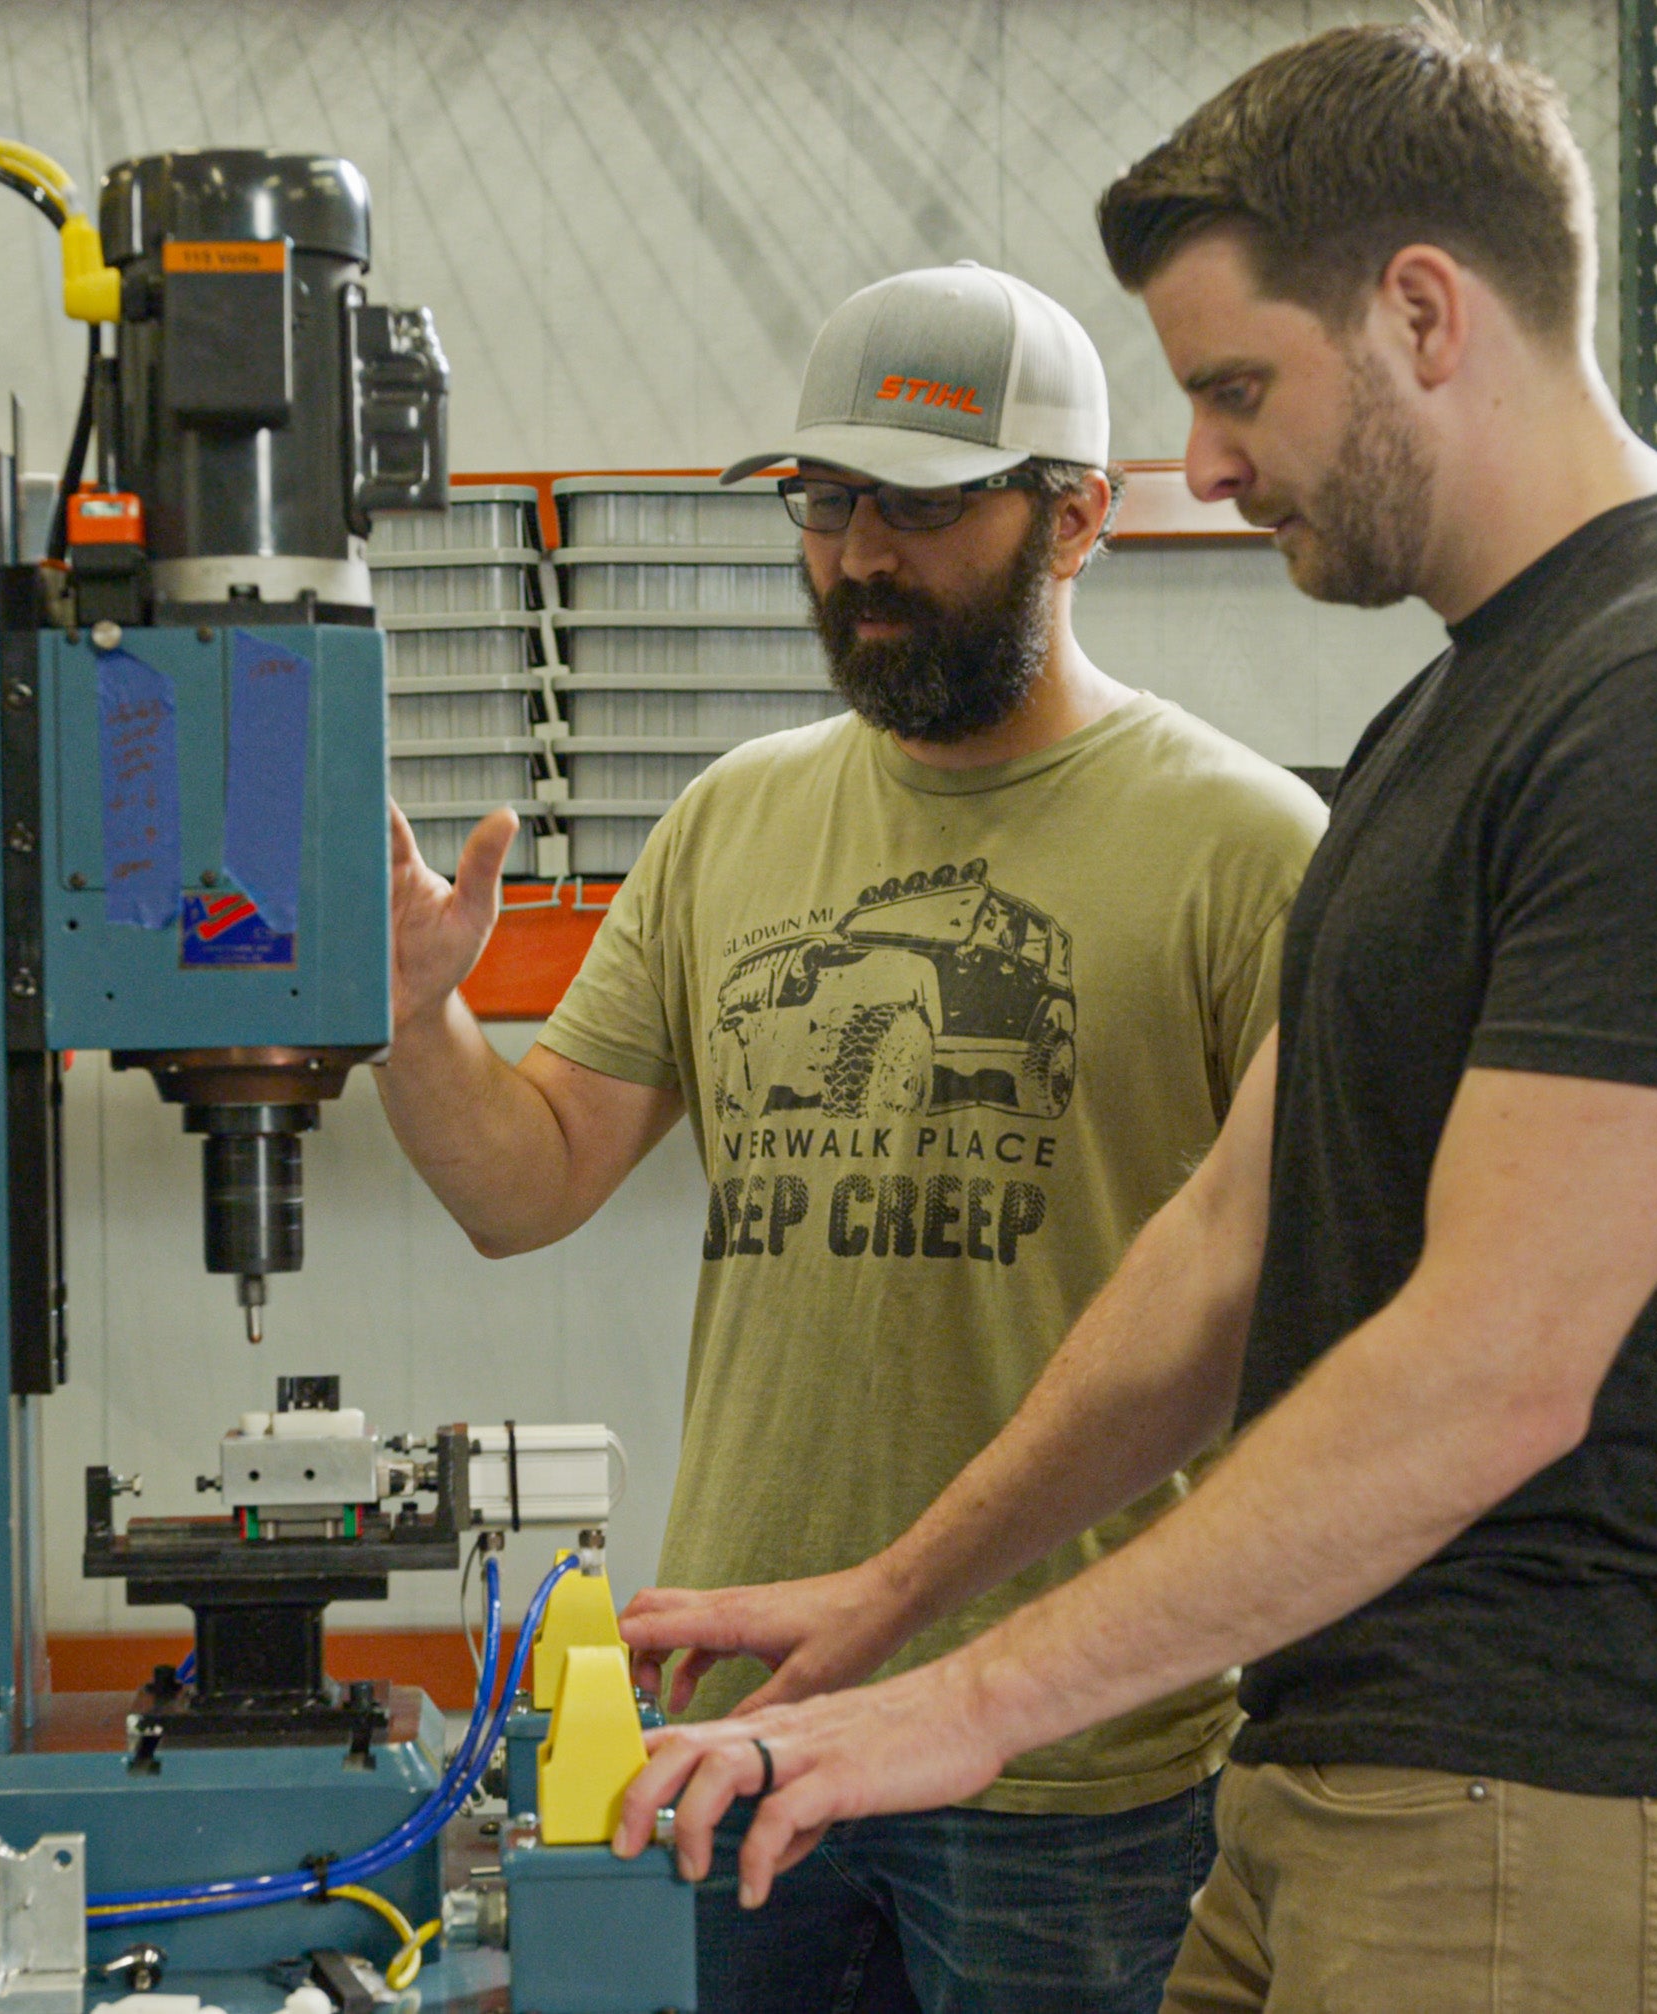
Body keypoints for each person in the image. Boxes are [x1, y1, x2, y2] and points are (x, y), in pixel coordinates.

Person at [613, 24, 1657, 2013]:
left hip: (1556, 1795)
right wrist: (897, 1598)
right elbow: (1221, 1244)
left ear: (1421, 313)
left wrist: (974, 1705)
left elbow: (1489, 1368)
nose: (1200, 465)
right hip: (1354, 1768)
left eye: (1235, 387)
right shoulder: (1459, 712)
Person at [376, 261, 1325, 2013]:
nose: (860, 554)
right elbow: (525, 1182)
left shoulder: (1247, 851)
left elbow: (1308, 1302)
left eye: (922, 506)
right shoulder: (730, 821)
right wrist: (416, 1015)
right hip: (744, 1724)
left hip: (1068, 1760)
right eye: (825, 501)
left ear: (1079, 517)